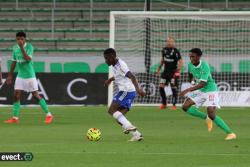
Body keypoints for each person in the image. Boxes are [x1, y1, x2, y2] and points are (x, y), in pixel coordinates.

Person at [180, 48, 236, 140]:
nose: (191, 58)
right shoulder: (190, 65)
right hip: (201, 90)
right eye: (190, 56)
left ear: (198, 57)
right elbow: (190, 74)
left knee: (210, 111)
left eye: (193, 56)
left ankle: (230, 133)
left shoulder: (204, 65)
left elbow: (203, 83)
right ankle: (206, 118)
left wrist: (188, 90)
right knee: (185, 106)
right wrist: (192, 81)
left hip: (210, 89)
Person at [5, 31, 53, 124]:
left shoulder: (30, 47)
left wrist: (22, 47)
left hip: (30, 75)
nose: (20, 41)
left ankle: (49, 114)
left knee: (35, 95)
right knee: (16, 95)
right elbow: (14, 62)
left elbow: (27, 60)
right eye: (18, 39)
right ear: (16, 39)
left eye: (21, 39)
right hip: (20, 75)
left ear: (25, 39)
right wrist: (10, 75)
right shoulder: (14, 48)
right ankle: (15, 118)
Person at [103, 48, 146, 141]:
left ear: (112, 57)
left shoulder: (121, 65)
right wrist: (110, 80)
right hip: (129, 92)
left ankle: (128, 126)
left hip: (126, 91)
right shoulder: (115, 64)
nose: (105, 61)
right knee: (119, 118)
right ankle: (137, 135)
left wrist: (138, 90)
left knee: (111, 110)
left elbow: (132, 76)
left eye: (106, 58)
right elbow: (119, 75)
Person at [157, 37, 183, 110]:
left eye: (171, 41)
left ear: (173, 42)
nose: (169, 43)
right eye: (168, 41)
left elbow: (181, 61)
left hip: (173, 73)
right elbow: (163, 60)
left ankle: (174, 105)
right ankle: (164, 103)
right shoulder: (164, 50)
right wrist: (159, 68)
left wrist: (178, 70)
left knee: (173, 88)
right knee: (161, 87)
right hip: (165, 72)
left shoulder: (176, 51)